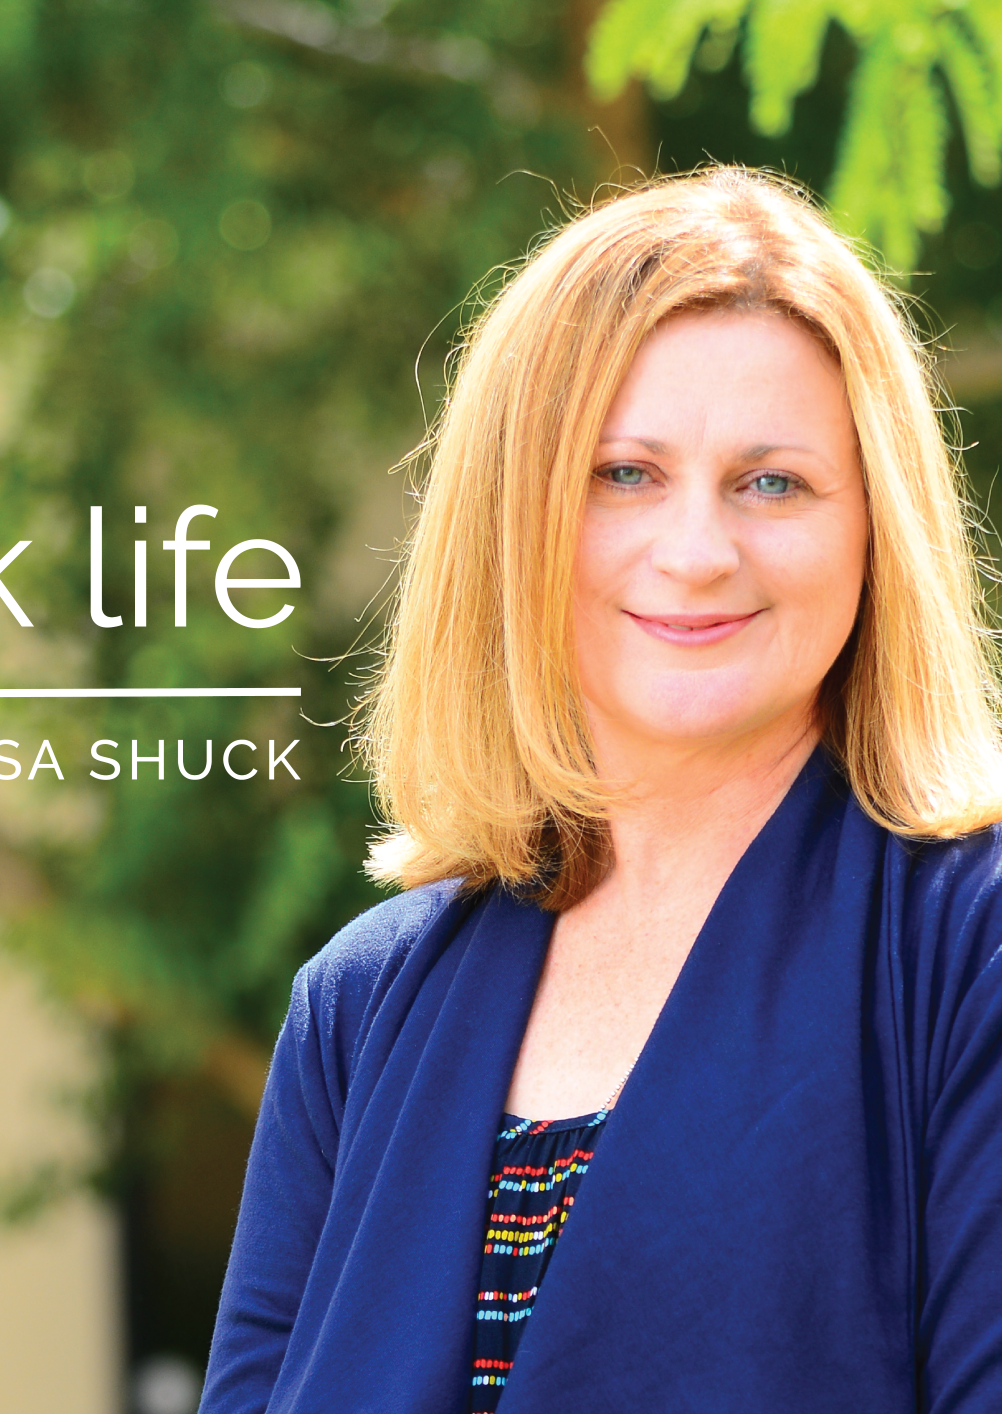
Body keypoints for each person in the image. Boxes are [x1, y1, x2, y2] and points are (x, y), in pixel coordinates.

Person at [197, 167, 1002, 1414]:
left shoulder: (968, 945)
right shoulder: (358, 1009)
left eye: (771, 481)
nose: (695, 551)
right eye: (622, 473)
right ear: (514, 517)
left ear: (872, 528)